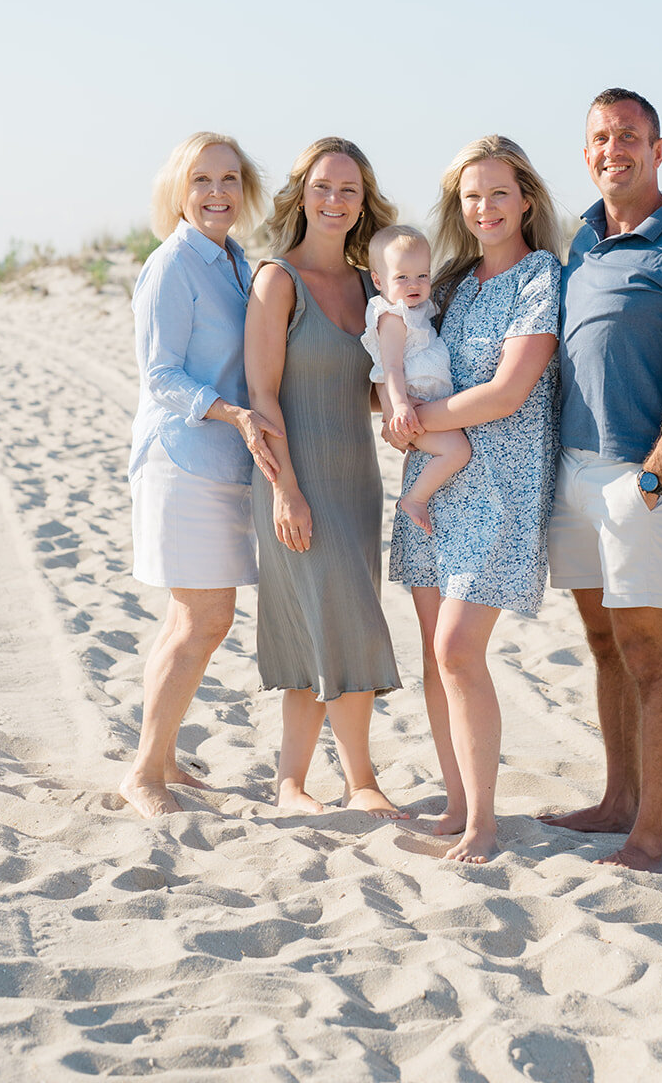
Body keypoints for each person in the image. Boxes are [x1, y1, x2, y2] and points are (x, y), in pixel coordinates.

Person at [540, 88, 662, 872]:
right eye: (599, 137)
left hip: (640, 483)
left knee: (648, 651)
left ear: (658, 150)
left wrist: (652, 481)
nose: (611, 149)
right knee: (601, 642)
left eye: (628, 136)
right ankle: (615, 801)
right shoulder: (581, 246)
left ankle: (649, 836)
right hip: (574, 477)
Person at [388, 135, 561, 864]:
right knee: (436, 656)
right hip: (435, 486)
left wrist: (413, 422)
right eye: (470, 196)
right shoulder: (451, 283)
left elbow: (508, 392)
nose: (484, 208)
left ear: (524, 197)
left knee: (459, 649)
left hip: (503, 488)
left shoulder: (540, 277)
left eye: (497, 193)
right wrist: (395, 405)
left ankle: (484, 822)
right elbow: (402, 356)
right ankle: (458, 800)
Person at [121, 132, 282, 819]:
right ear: (178, 191)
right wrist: (233, 414)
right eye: (201, 180)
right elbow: (159, 376)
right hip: (182, 460)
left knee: (195, 620)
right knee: (203, 617)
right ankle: (143, 775)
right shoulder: (170, 265)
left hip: (225, 461)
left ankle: (163, 759)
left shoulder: (235, 260)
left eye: (228, 179)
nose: (216, 193)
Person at [245, 137, 404, 817]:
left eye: (348, 190)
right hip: (294, 481)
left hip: (357, 483)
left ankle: (290, 783)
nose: (335, 200)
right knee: (345, 622)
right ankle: (360, 781)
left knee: (320, 625)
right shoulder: (275, 280)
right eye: (323, 187)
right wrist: (285, 490)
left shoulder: (371, 287)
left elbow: (367, 385)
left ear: (363, 201)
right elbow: (262, 395)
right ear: (301, 195)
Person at [361, 224, 471, 534]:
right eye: (402, 277)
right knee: (458, 450)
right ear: (378, 280)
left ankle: (412, 492)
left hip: (421, 402)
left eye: (422, 275)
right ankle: (415, 499)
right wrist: (400, 407)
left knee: (418, 455)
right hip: (410, 407)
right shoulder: (394, 317)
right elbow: (391, 368)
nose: (414, 284)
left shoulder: (418, 309)